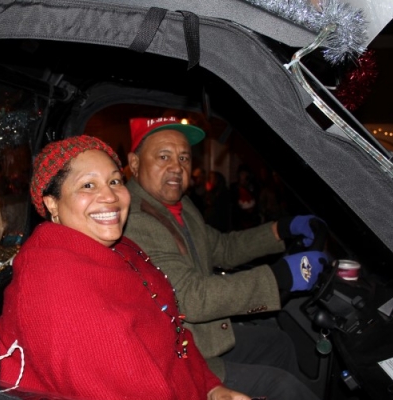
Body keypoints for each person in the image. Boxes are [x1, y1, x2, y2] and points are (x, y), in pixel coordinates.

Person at [0, 135, 251, 400]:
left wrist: (212, 387)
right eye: (88, 185)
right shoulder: (54, 285)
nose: (109, 196)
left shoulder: (120, 248)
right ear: (52, 203)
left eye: (115, 181)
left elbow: (172, 329)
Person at [123, 116, 329, 400]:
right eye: (163, 156)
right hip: (177, 355)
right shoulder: (134, 219)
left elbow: (222, 247)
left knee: (278, 343)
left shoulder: (179, 205)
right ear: (134, 163)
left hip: (198, 336)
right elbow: (192, 298)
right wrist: (280, 277)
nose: (177, 167)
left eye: (184, 158)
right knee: (281, 386)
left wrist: (281, 229)